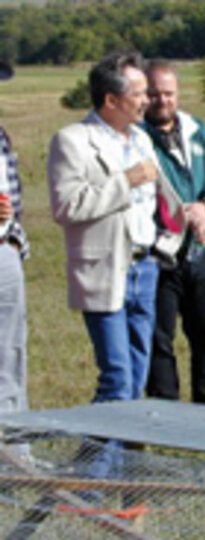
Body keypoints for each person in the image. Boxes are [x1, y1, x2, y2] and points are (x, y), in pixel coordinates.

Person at [47, 51, 186, 411]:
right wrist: (125, 181)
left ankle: (119, 463)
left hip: (145, 269)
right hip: (105, 270)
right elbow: (66, 206)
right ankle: (93, 467)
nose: (147, 100)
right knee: (117, 378)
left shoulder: (140, 139)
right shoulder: (72, 141)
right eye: (138, 93)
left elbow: (161, 198)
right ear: (111, 100)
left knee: (137, 378)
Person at [142, 59, 205, 406]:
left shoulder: (196, 131)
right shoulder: (135, 139)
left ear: (178, 94)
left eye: (167, 93)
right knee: (158, 341)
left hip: (198, 253)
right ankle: (164, 414)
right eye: (153, 94)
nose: (161, 101)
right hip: (157, 257)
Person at [0, 60, 30, 416]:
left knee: (10, 356)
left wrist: (15, 240)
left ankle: (13, 455)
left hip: (5, 254)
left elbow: (13, 195)